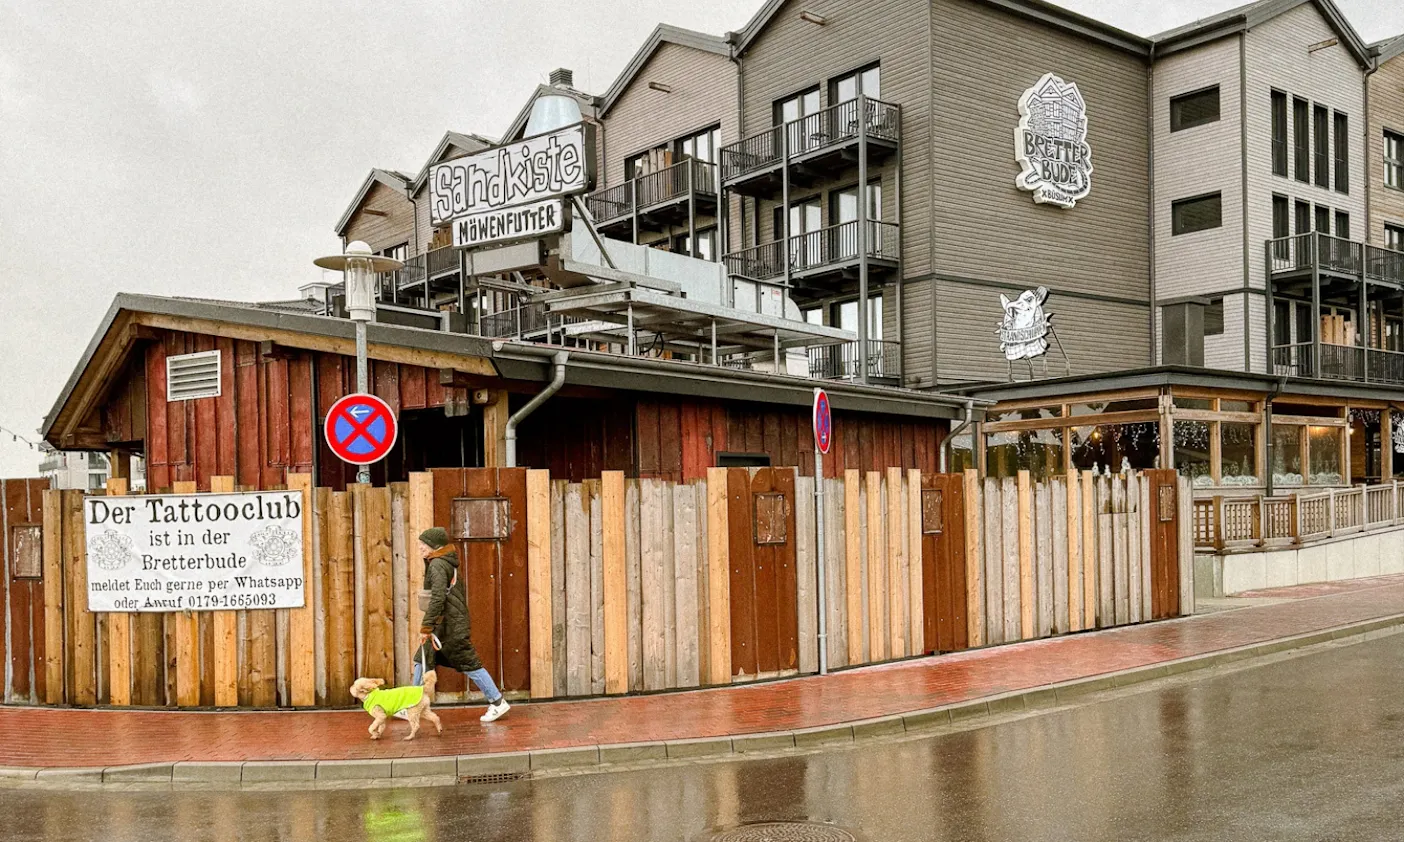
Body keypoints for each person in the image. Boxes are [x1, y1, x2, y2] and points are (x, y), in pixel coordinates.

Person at [413, 527, 510, 723]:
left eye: (423, 544)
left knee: (469, 664)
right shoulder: (443, 562)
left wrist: (426, 627)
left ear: (434, 546)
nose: (420, 547)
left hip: (450, 627)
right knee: (421, 660)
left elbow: (438, 598)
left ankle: (498, 703)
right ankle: (411, 705)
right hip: (445, 624)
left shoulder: (438, 565)